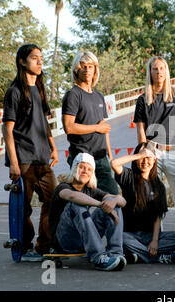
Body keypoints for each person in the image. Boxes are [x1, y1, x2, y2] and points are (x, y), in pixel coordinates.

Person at [2, 44, 58, 261]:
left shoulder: (40, 88)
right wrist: (14, 163)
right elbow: (7, 129)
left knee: (54, 200)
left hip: (43, 157)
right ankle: (23, 248)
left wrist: (53, 147)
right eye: (34, 58)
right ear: (22, 61)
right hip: (23, 159)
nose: (40, 61)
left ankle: (43, 245)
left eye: (41, 58)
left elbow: (44, 121)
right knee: (23, 209)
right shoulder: (14, 91)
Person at [134, 56, 175, 234]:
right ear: (149, 72)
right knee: (152, 196)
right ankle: (154, 236)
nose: (159, 72)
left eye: (162, 68)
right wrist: (144, 150)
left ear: (167, 71)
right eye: (155, 69)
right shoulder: (143, 99)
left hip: (172, 151)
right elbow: (140, 126)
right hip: (152, 151)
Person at [49, 153, 127, 271]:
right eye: (82, 167)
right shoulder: (63, 187)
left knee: (113, 203)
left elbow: (123, 201)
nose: (85, 171)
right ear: (75, 168)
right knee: (76, 204)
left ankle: (116, 253)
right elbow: (72, 196)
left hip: (84, 241)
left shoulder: (91, 190)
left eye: (89, 169)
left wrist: (113, 201)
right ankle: (99, 257)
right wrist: (101, 204)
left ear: (92, 174)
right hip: (65, 242)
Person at [111, 142, 175, 264]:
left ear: (155, 160)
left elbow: (158, 216)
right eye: (141, 157)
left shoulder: (158, 185)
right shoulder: (128, 177)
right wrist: (139, 155)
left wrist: (155, 241)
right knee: (119, 238)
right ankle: (157, 258)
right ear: (136, 159)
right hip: (130, 235)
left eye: (148, 157)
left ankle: (139, 256)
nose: (145, 161)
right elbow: (114, 163)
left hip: (150, 235)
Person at [62, 51, 118, 195]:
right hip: (81, 157)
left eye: (90, 66)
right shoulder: (72, 95)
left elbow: (104, 128)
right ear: (76, 70)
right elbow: (69, 127)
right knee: (82, 200)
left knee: (112, 197)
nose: (87, 69)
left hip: (101, 158)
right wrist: (96, 128)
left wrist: (110, 156)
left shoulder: (99, 96)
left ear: (95, 70)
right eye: (83, 66)